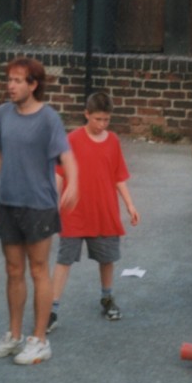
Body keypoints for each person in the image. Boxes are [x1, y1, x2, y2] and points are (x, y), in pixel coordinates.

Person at [0, 57, 78, 365]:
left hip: (39, 204)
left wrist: (73, 185)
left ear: (33, 84)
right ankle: (14, 336)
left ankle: (39, 339)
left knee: (38, 270)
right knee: (13, 271)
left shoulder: (49, 119)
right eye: (8, 80)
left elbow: (67, 157)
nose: (10, 86)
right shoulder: (2, 114)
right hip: (8, 202)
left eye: (16, 81)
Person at [48, 92, 139, 333]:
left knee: (106, 258)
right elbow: (59, 172)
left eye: (106, 120)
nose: (101, 124)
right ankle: (52, 309)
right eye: (97, 119)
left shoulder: (113, 141)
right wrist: (51, 204)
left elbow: (119, 176)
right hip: (74, 212)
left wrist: (129, 205)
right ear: (86, 114)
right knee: (64, 259)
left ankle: (107, 297)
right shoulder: (72, 139)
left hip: (104, 210)